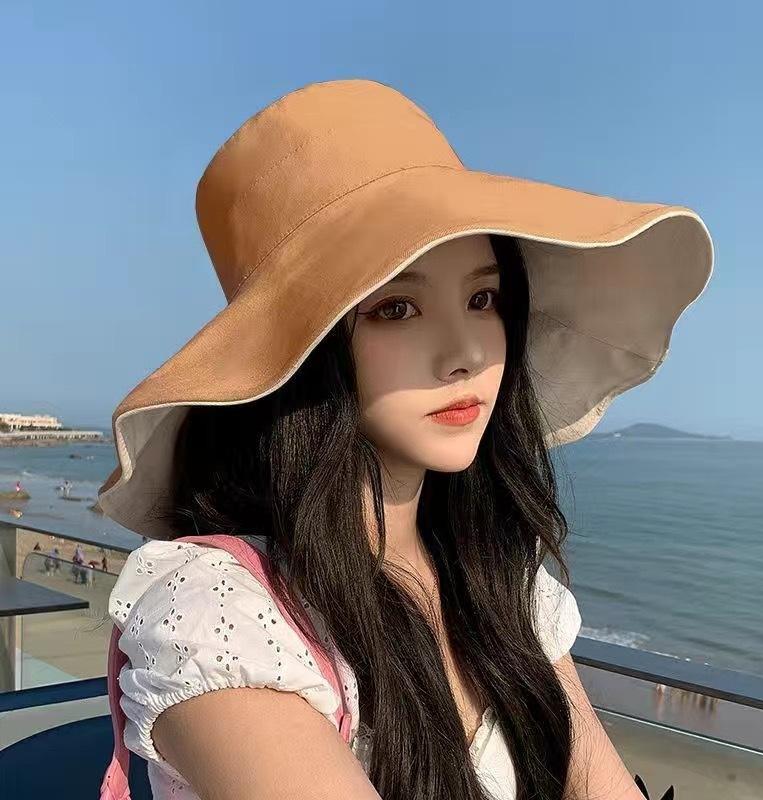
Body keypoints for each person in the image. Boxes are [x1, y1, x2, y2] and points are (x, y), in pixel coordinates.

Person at [97, 80, 712, 800]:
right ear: (302, 352)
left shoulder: (497, 579)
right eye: (397, 308)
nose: (465, 353)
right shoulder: (222, 616)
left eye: (482, 299)